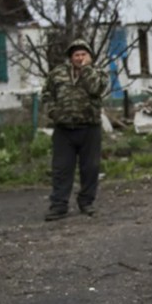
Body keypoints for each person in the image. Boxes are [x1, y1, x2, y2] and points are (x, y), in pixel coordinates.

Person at [42, 39, 109, 221]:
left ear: (90, 56)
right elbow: (47, 94)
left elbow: (96, 89)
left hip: (89, 128)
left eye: (83, 54)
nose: (80, 58)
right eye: (76, 55)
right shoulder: (57, 74)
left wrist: (86, 70)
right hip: (64, 129)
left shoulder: (99, 73)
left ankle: (86, 202)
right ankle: (59, 205)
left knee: (90, 168)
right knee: (61, 169)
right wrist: (53, 112)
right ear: (70, 57)